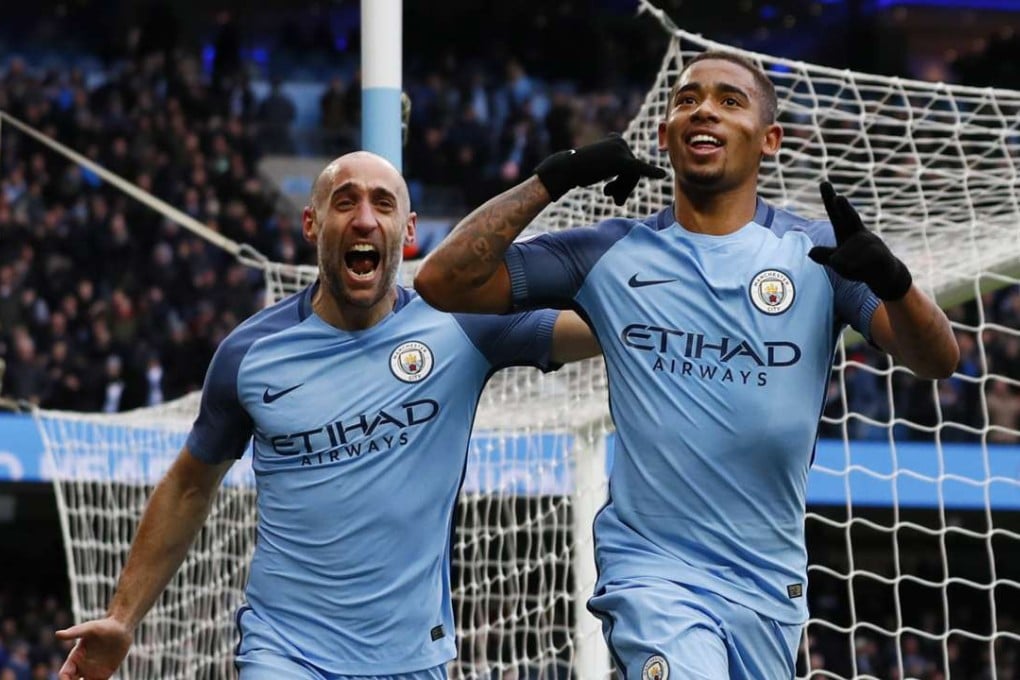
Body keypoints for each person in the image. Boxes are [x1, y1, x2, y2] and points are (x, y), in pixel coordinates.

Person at [414, 51, 959, 679]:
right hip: (654, 574)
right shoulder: (609, 252)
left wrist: (895, 283)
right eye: (687, 99)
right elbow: (442, 280)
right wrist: (555, 178)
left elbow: (936, 359)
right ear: (664, 134)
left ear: (770, 140)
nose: (704, 110)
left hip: (768, 584)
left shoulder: (818, 255)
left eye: (730, 101)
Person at [54, 151, 599, 680]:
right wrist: (122, 618)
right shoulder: (250, 355)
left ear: (408, 231)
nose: (364, 218)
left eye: (383, 203)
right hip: (285, 652)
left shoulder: (462, 325)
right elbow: (189, 486)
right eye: (345, 201)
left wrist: (646, 266)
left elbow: (600, 330)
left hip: (412, 656)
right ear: (311, 224)